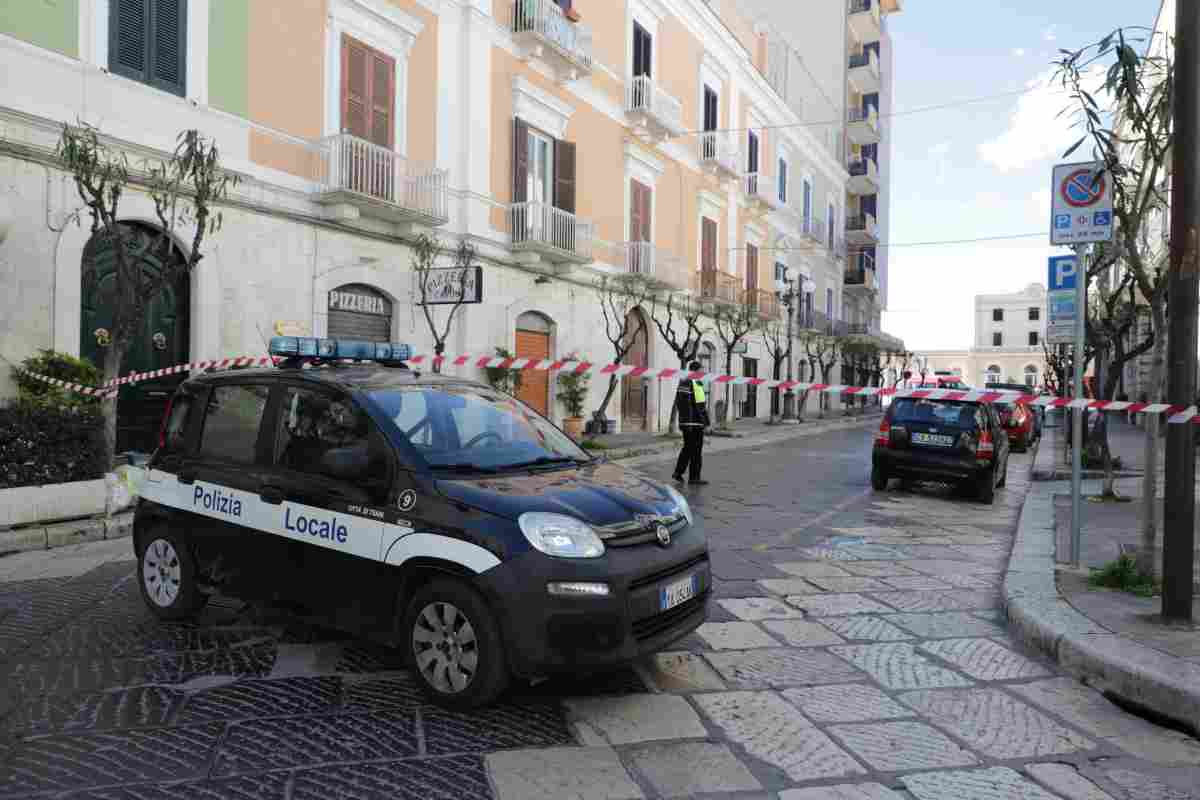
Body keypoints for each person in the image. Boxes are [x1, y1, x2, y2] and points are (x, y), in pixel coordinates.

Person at [673, 361, 710, 485]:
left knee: (693, 449)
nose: (703, 372)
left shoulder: (697, 383)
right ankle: (687, 475)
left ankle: (685, 474)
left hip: (697, 423)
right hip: (691, 423)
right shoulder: (686, 382)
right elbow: (682, 403)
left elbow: (701, 405)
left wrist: (706, 422)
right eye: (701, 369)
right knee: (691, 449)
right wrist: (687, 422)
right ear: (696, 370)